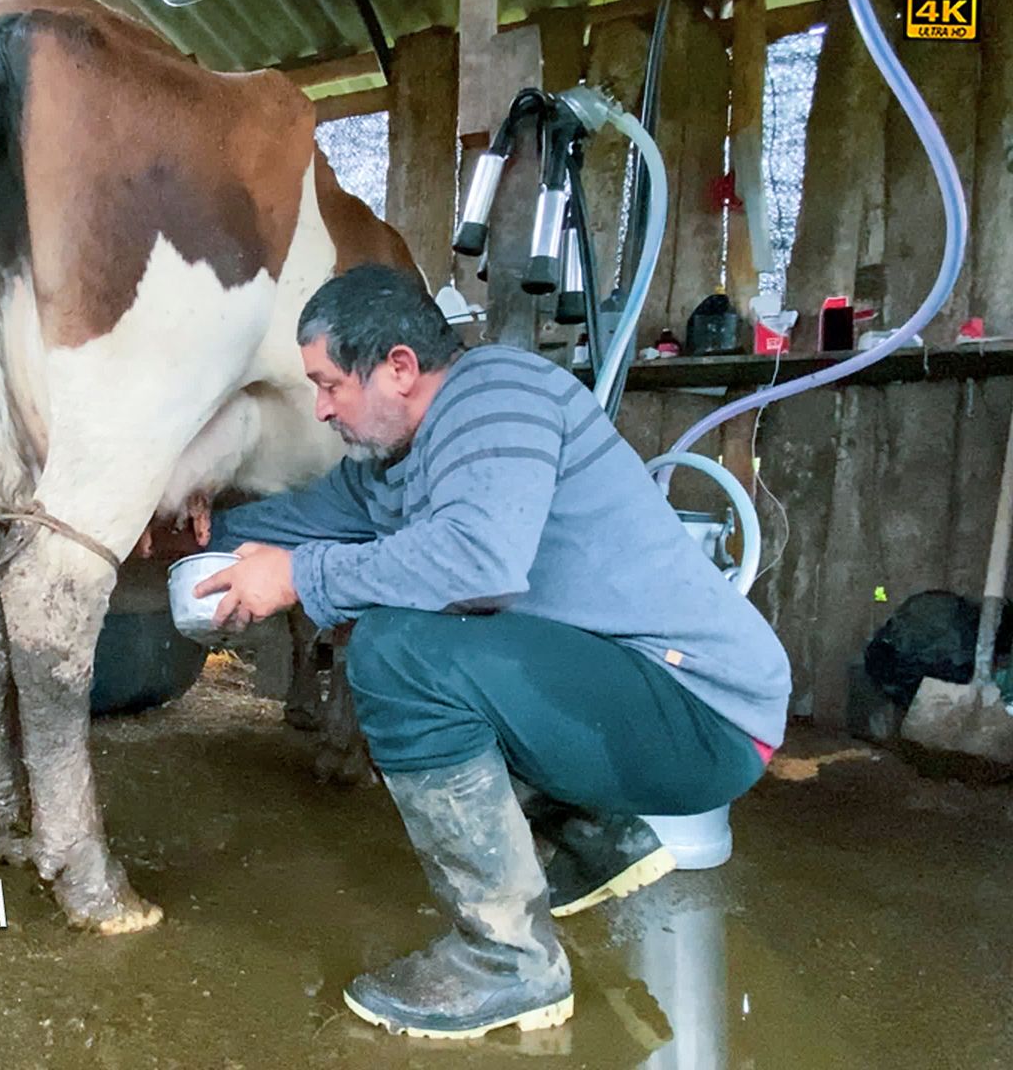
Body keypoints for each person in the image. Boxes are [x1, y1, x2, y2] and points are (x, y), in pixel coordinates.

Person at [193, 264, 790, 1041]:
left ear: (400, 369)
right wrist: (178, 526)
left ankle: (506, 962)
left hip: (704, 713)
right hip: (628, 695)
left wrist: (301, 579)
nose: (321, 408)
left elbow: (478, 561)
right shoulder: (388, 466)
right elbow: (297, 522)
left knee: (398, 654)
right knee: (417, 644)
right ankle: (585, 840)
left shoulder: (498, 395)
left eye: (331, 384)